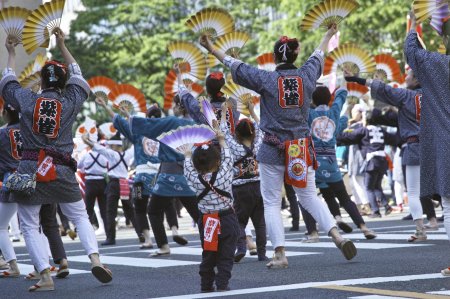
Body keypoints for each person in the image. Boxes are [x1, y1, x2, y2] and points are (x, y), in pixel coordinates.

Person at [200, 24, 357, 269]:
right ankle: (337, 234)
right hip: (300, 149)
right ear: (295, 55)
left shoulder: (267, 79)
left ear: (274, 58)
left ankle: (280, 254)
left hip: (272, 149)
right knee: (308, 196)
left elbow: (235, 65)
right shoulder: (307, 75)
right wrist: (327, 34)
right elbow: (319, 53)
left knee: (272, 202)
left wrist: (211, 48)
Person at [1, 30, 112, 291]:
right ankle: (95, 258)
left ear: (41, 81)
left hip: (30, 171)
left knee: (29, 224)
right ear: (64, 83)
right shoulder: (71, 100)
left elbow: (7, 80)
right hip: (61, 169)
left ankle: (45, 276)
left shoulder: (28, 99)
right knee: (80, 216)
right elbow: (78, 74)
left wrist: (12, 52)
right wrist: (61, 44)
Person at [345, 68, 426, 242]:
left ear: (417, 80)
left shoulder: (407, 96)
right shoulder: (436, 95)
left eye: (410, 76)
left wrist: (357, 79)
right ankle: (432, 220)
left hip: (413, 145)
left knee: (412, 191)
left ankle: (420, 230)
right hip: (436, 147)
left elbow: (383, 88)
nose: (406, 78)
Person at [405, 10, 450, 276]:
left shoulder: (436, 64)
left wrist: (414, 22)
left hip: (445, 142)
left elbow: (410, 51)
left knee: (449, 203)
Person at [128, 95, 199, 256]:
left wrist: (126, 115)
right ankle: (214, 242)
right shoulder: (195, 123)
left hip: (167, 174)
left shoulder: (172, 122)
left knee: (151, 210)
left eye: (174, 104)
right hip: (189, 173)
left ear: (180, 107)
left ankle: (163, 245)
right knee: (197, 213)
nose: (172, 107)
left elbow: (147, 125)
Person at [307, 85, 376, 239]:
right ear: (329, 99)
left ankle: (313, 233)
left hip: (315, 162)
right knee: (344, 197)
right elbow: (341, 96)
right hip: (332, 162)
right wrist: (345, 85)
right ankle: (364, 228)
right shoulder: (334, 112)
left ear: (313, 99)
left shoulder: (309, 114)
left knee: (310, 197)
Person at [96, 97, 163, 249]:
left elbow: (120, 122)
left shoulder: (139, 134)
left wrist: (106, 106)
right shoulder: (164, 133)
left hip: (141, 178)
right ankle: (164, 239)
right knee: (159, 209)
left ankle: (147, 239)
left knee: (139, 208)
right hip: (159, 179)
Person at [184, 124, 239, 292]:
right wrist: (222, 140)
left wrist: (187, 154)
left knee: (209, 254)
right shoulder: (224, 174)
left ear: (195, 163)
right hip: (227, 218)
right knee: (226, 254)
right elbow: (229, 158)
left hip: (208, 220)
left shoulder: (193, 178)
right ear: (217, 161)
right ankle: (223, 284)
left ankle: (206, 285)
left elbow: (188, 168)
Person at [219, 100, 268, 262]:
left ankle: (241, 247)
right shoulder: (258, 144)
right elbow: (261, 127)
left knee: (239, 221)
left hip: (240, 189)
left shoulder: (235, 146)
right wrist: (252, 111)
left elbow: (224, 131)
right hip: (258, 186)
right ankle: (262, 253)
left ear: (237, 134)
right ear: (252, 132)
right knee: (260, 223)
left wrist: (226, 112)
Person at [337, 109, 397, 218]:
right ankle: (386, 206)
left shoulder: (364, 130)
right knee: (376, 186)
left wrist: (336, 138)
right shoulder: (381, 130)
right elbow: (394, 139)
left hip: (372, 161)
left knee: (368, 187)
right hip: (382, 160)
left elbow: (349, 137)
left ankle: (375, 211)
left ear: (367, 119)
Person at [82, 131, 137, 246]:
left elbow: (97, 148)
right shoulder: (127, 154)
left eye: (111, 145)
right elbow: (135, 145)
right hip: (124, 183)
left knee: (110, 212)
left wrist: (86, 140)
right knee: (130, 210)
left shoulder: (111, 154)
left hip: (113, 184)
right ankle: (141, 234)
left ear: (115, 145)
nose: (109, 147)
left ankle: (111, 238)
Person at [0, 104, 21, 277]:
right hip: (34, 178)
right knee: (35, 226)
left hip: (12, 179)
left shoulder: (2, 133)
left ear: (5, 113)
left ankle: (13, 266)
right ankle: (43, 267)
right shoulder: (29, 131)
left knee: (0, 227)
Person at [77, 137, 108, 236]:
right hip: (102, 182)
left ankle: (87, 232)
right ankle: (109, 234)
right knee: (104, 209)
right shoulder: (103, 155)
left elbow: (79, 167)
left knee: (88, 209)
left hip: (90, 182)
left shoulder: (86, 155)